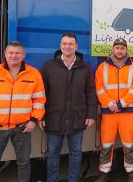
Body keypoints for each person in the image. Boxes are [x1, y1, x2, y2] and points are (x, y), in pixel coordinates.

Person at [0, 41, 46, 182]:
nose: (14, 56)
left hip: (22, 128)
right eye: (11, 53)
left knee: (24, 163)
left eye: (17, 53)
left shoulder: (33, 74)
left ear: (23, 55)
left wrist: (33, 120)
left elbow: (39, 100)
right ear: (5, 54)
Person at [40, 33, 97, 182]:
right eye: (64, 43)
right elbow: (41, 93)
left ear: (76, 47)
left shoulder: (84, 67)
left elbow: (91, 91)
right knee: (52, 153)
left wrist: (91, 114)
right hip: (54, 117)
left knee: (76, 152)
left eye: (71, 44)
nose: (67, 46)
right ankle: (52, 179)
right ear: (60, 46)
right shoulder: (49, 66)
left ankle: (73, 179)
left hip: (77, 118)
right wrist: (41, 115)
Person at [94, 38, 133, 182]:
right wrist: (109, 103)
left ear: (126, 50)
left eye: (122, 48)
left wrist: (120, 104)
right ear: (113, 50)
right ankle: (104, 172)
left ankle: (131, 172)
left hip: (126, 112)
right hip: (109, 113)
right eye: (117, 48)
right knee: (106, 143)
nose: (119, 50)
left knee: (129, 143)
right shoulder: (103, 67)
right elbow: (99, 88)